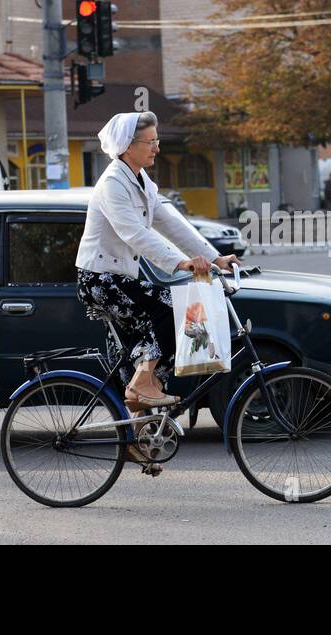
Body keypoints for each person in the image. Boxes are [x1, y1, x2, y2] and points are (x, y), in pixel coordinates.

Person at [75, 111, 241, 475]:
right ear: (128, 146)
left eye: (156, 140)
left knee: (148, 347)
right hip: (100, 280)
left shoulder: (139, 180)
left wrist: (213, 256)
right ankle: (141, 386)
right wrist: (181, 264)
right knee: (167, 309)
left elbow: (169, 221)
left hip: (120, 278)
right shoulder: (112, 184)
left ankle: (134, 434)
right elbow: (135, 233)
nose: (157, 147)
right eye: (150, 142)